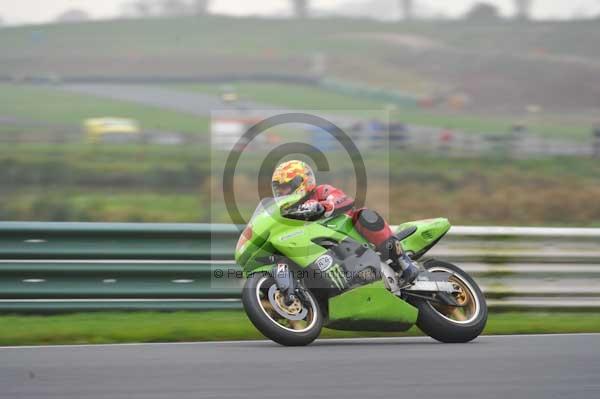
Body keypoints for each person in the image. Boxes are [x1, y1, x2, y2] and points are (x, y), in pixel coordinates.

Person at [271, 160, 419, 285]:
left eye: (285, 187)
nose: (282, 193)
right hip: (326, 253)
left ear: (300, 182)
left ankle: (403, 261)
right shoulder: (288, 211)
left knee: (364, 215)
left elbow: (343, 200)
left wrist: (324, 206)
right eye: (279, 189)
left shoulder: (321, 191)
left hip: (349, 237)